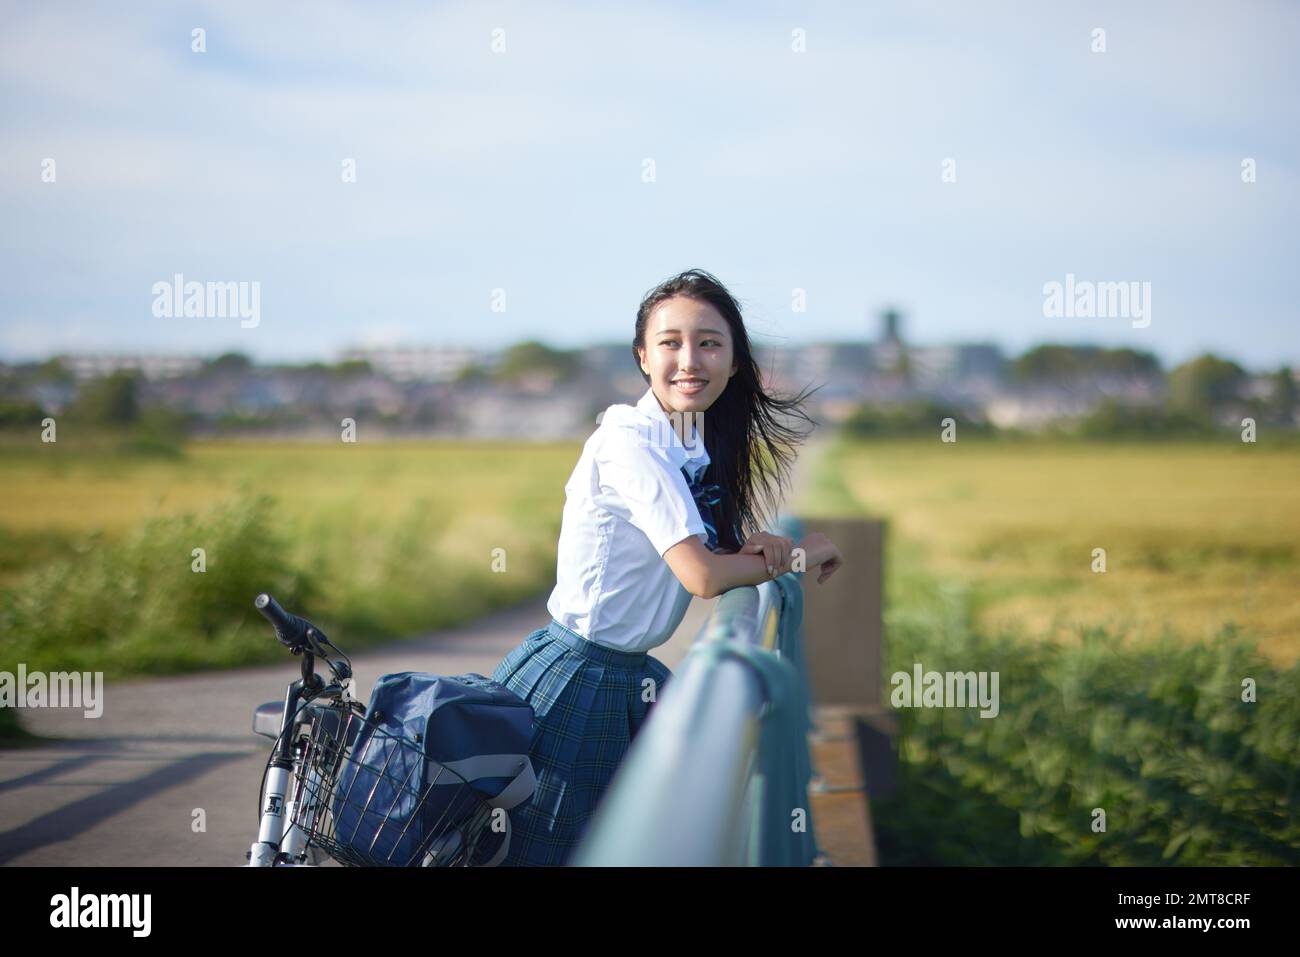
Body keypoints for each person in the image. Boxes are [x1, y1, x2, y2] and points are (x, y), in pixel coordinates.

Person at [490, 268, 846, 866]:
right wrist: (787, 560)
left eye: (709, 343)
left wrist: (777, 550)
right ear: (642, 356)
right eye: (670, 342)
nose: (690, 359)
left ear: (735, 363)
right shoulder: (631, 442)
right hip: (579, 677)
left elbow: (713, 556)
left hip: (621, 678)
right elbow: (703, 577)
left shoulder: (689, 443)